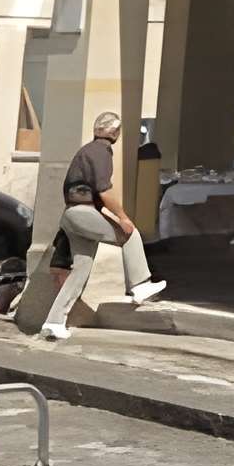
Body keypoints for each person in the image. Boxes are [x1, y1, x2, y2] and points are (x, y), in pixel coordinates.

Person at [40, 111, 166, 340]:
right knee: (129, 234)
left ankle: (54, 322)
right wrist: (123, 217)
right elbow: (104, 189)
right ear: (115, 133)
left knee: (80, 270)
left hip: (71, 213)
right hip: (84, 212)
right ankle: (140, 284)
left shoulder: (86, 150)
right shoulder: (102, 152)